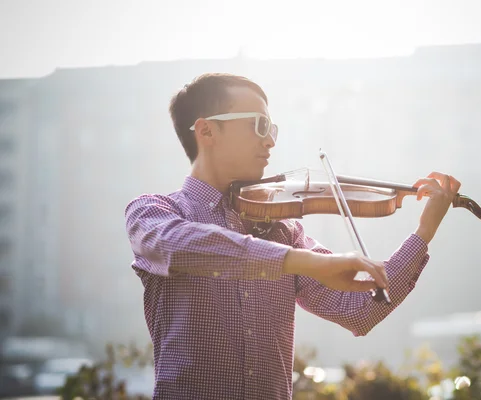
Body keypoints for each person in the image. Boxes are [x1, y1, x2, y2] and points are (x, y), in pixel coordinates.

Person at [124, 72, 461, 400]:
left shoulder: (281, 228)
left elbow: (359, 311)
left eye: (271, 128)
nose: (270, 140)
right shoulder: (153, 213)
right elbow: (183, 247)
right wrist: (301, 261)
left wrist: (424, 232)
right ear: (207, 131)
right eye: (258, 125)